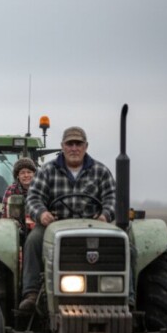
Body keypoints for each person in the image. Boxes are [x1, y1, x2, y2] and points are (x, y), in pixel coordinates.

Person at [19, 126, 117, 311]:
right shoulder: (47, 171)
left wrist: (105, 215)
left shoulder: (100, 171)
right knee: (32, 241)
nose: (74, 148)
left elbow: (112, 198)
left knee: (127, 247)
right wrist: (42, 214)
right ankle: (31, 292)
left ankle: (126, 296)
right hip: (54, 225)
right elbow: (33, 198)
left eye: (78, 144)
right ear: (62, 146)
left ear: (86, 146)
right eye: (70, 144)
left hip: (93, 226)